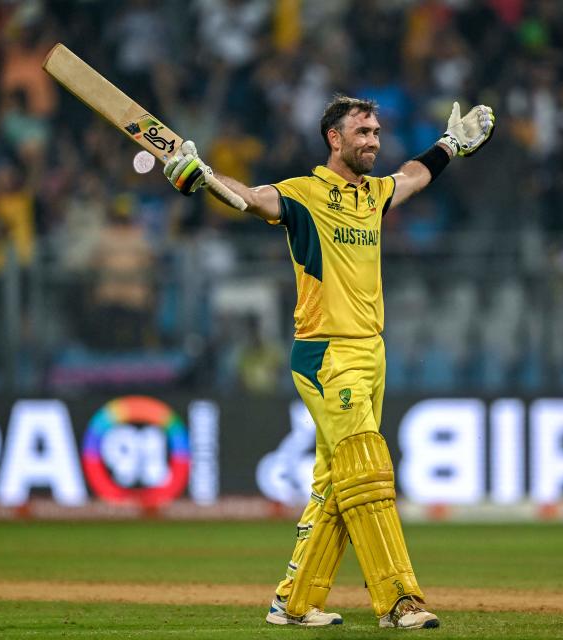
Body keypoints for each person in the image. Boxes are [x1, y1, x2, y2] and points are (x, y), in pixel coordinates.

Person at [164, 95, 494, 629]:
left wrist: (448, 146)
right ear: (334, 139)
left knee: (339, 483)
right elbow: (249, 198)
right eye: (362, 132)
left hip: (372, 351)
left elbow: (412, 178)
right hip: (325, 352)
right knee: (368, 467)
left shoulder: (373, 196)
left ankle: (293, 603)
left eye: (377, 132)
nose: (374, 141)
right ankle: (399, 600)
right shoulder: (304, 193)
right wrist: (202, 178)